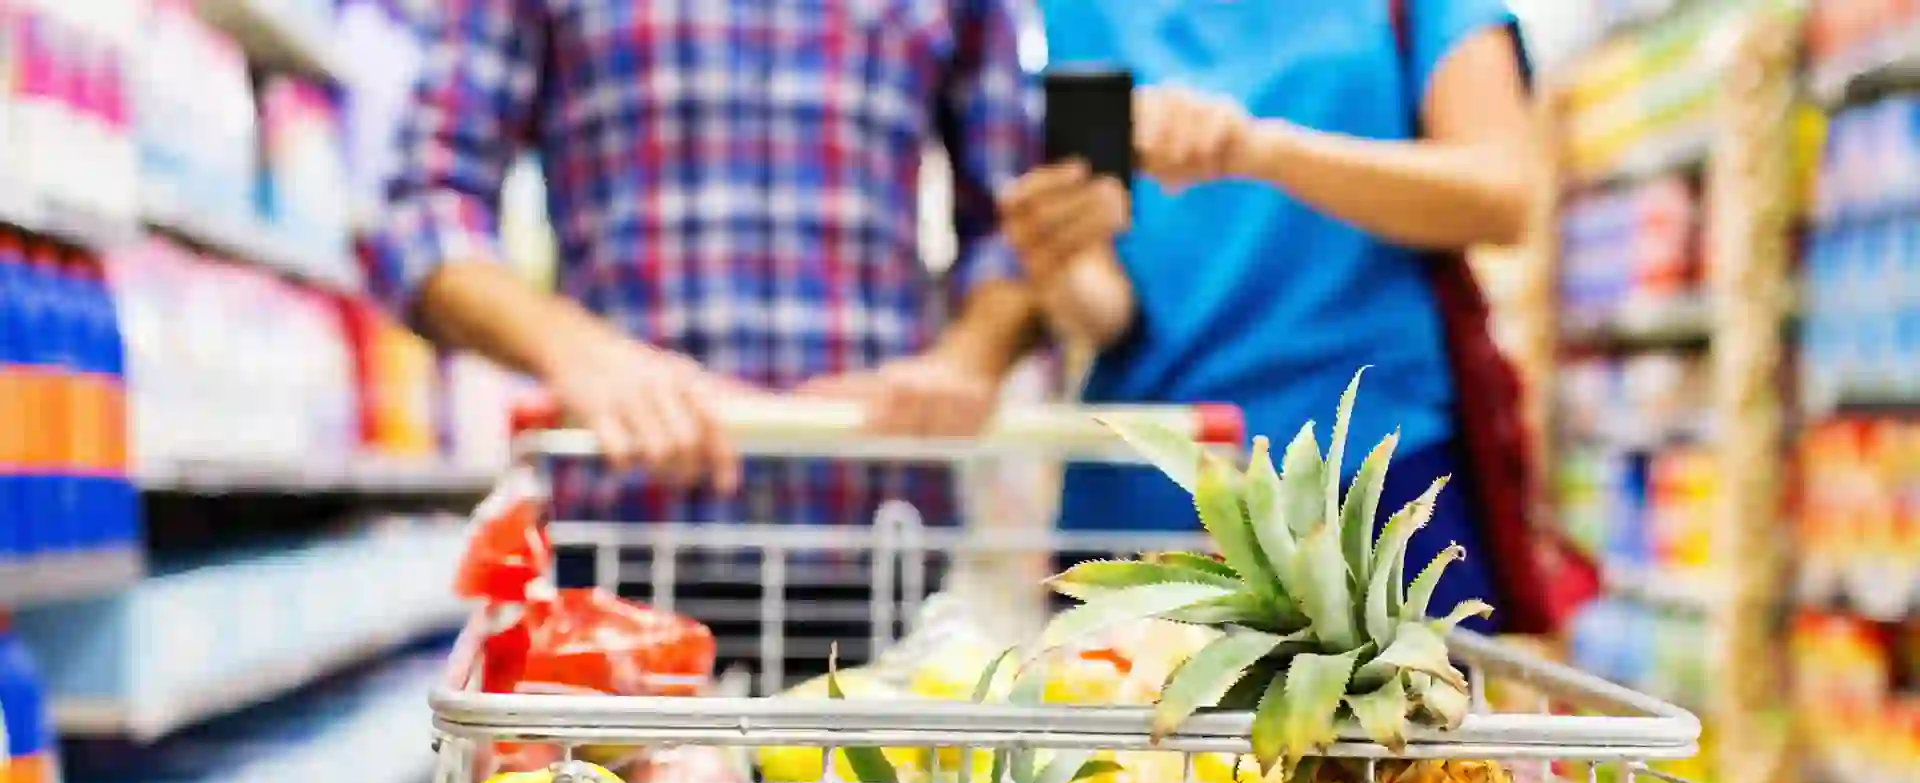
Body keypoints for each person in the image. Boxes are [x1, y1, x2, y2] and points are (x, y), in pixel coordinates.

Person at [364, 2, 1042, 683]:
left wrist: (969, 357)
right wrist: (575, 351)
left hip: (878, 532)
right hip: (623, 535)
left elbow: (1025, 222)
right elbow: (422, 207)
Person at [1001, 1, 1535, 628]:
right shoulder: (1075, 12)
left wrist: (1259, 150)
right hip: (1148, 485)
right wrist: (1056, 259)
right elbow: (1109, 310)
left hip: (1372, 488)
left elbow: (1503, 193)